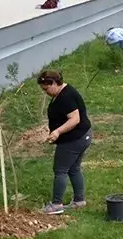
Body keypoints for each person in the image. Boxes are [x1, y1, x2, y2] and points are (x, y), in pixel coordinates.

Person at [38, 70, 92, 215]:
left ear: (55, 83)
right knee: (74, 168)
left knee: (60, 170)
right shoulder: (62, 92)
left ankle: (56, 205)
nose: (45, 92)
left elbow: (75, 119)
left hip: (74, 140)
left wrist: (57, 132)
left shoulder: (65, 97)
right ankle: (79, 201)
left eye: (46, 88)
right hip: (82, 136)